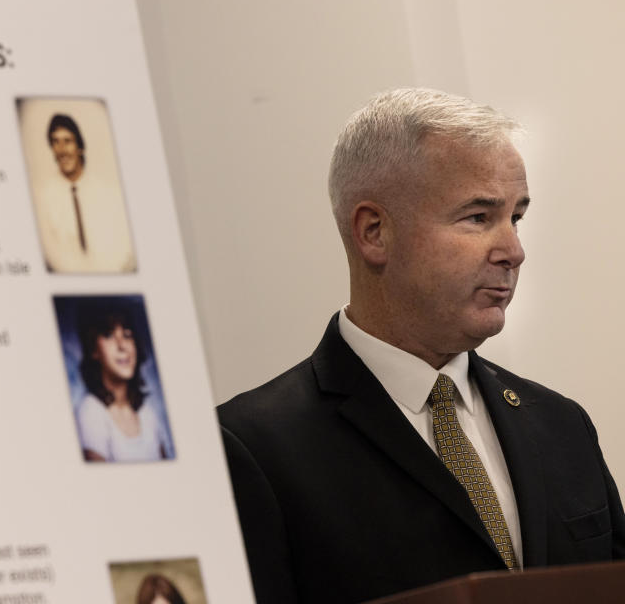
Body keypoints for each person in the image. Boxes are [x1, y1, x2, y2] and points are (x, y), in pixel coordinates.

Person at [217, 88, 625, 603]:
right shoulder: (251, 449)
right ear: (374, 232)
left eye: (516, 217)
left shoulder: (562, 425)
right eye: (478, 217)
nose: (513, 250)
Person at [32, 112, 136, 273]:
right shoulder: (42, 199)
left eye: (68, 141)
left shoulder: (108, 193)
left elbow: (124, 248)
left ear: (80, 147)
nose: (62, 150)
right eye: (55, 142)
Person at [75, 299, 170, 462]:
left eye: (127, 335)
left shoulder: (147, 412)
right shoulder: (90, 411)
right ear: (94, 350)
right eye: (109, 335)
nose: (122, 345)